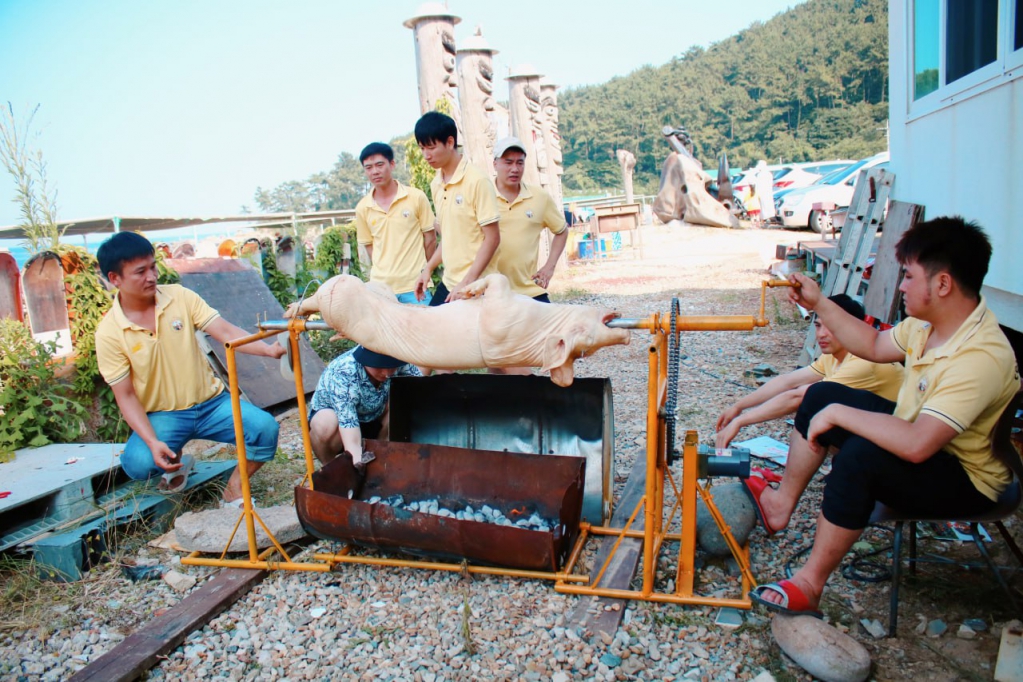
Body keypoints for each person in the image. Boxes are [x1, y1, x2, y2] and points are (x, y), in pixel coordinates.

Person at [747, 216, 1020, 617]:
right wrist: (819, 302)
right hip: (921, 433)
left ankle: (809, 583)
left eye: (908, 276)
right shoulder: (930, 325)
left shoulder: (980, 357)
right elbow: (873, 343)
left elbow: (915, 444)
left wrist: (841, 414)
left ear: (942, 284)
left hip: (965, 477)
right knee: (822, 393)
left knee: (860, 455)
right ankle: (780, 506)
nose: (902, 285)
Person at [94, 232, 286, 508]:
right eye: (140, 271)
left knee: (265, 428)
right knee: (139, 463)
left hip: (212, 404)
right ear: (115, 279)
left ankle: (235, 487)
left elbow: (224, 330)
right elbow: (125, 396)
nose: (152, 276)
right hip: (165, 416)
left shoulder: (180, 297)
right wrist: (151, 441)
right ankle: (176, 457)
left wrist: (267, 349)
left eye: (152, 266)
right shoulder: (109, 333)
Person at [715, 294, 903, 448]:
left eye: (831, 326)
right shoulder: (834, 355)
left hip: (902, 437)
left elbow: (796, 397)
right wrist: (738, 406)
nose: (821, 334)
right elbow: (787, 381)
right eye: (818, 325)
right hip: (881, 426)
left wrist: (740, 421)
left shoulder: (863, 362)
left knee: (815, 405)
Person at [412, 111, 501, 305]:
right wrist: (428, 268)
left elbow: (493, 238)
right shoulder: (436, 184)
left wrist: (467, 282)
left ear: (450, 142)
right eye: (422, 148)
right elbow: (450, 237)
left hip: (477, 286)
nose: (426, 155)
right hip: (450, 283)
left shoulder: (477, 180)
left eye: (431, 147)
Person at [308, 345, 422, 466]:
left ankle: (380, 456)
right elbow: (350, 431)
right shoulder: (344, 373)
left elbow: (423, 389)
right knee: (326, 424)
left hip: (375, 414)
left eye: (391, 367)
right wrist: (356, 465)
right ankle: (330, 468)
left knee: (403, 398)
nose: (387, 373)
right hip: (341, 425)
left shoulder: (398, 359)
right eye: (379, 367)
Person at [354, 142, 437, 304]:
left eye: (379, 165)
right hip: (380, 289)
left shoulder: (416, 197)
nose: (375, 171)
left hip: (415, 286)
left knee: (423, 328)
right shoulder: (363, 207)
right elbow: (369, 246)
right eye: (368, 167)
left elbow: (430, 238)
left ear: (392, 165)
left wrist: (424, 270)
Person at [491, 137, 568, 302]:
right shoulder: (482, 197)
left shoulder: (539, 197)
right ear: (495, 164)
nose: (515, 169)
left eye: (520, 163)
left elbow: (561, 231)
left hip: (530, 292)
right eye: (508, 162)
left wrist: (549, 267)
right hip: (491, 293)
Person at [753, 160, 775, 227]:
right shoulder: (768, 174)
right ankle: (766, 220)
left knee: (763, 207)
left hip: (762, 193)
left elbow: (758, 185)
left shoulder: (761, 175)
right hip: (767, 193)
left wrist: (756, 193)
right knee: (766, 207)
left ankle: (764, 220)